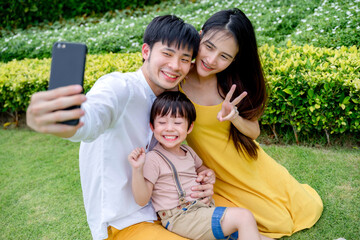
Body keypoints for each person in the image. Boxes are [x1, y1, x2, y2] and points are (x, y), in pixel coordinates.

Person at [26, 15, 214, 240]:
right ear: (146, 51)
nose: (175, 66)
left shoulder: (170, 102)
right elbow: (92, 118)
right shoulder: (119, 87)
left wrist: (204, 176)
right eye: (167, 53)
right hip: (123, 223)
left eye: (185, 58)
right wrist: (64, 122)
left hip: (168, 212)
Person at [178, 8, 324, 239]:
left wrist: (234, 116)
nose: (212, 60)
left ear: (235, 59)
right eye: (209, 46)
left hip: (249, 162)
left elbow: (253, 132)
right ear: (199, 36)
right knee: (275, 221)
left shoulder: (231, 84)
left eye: (225, 56)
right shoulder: (177, 79)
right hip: (217, 175)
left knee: (307, 207)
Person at [128, 91, 272, 240]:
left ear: (189, 128)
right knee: (244, 217)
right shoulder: (154, 158)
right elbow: (142, 199)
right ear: (152, 126)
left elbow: (200, 168)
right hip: (181, 217)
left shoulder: (188, 152)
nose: (169, 128)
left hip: (202, 211)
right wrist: (137, 170)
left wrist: (207, 173)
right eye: (162, 122)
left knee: (260, 236)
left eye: (177, 123)